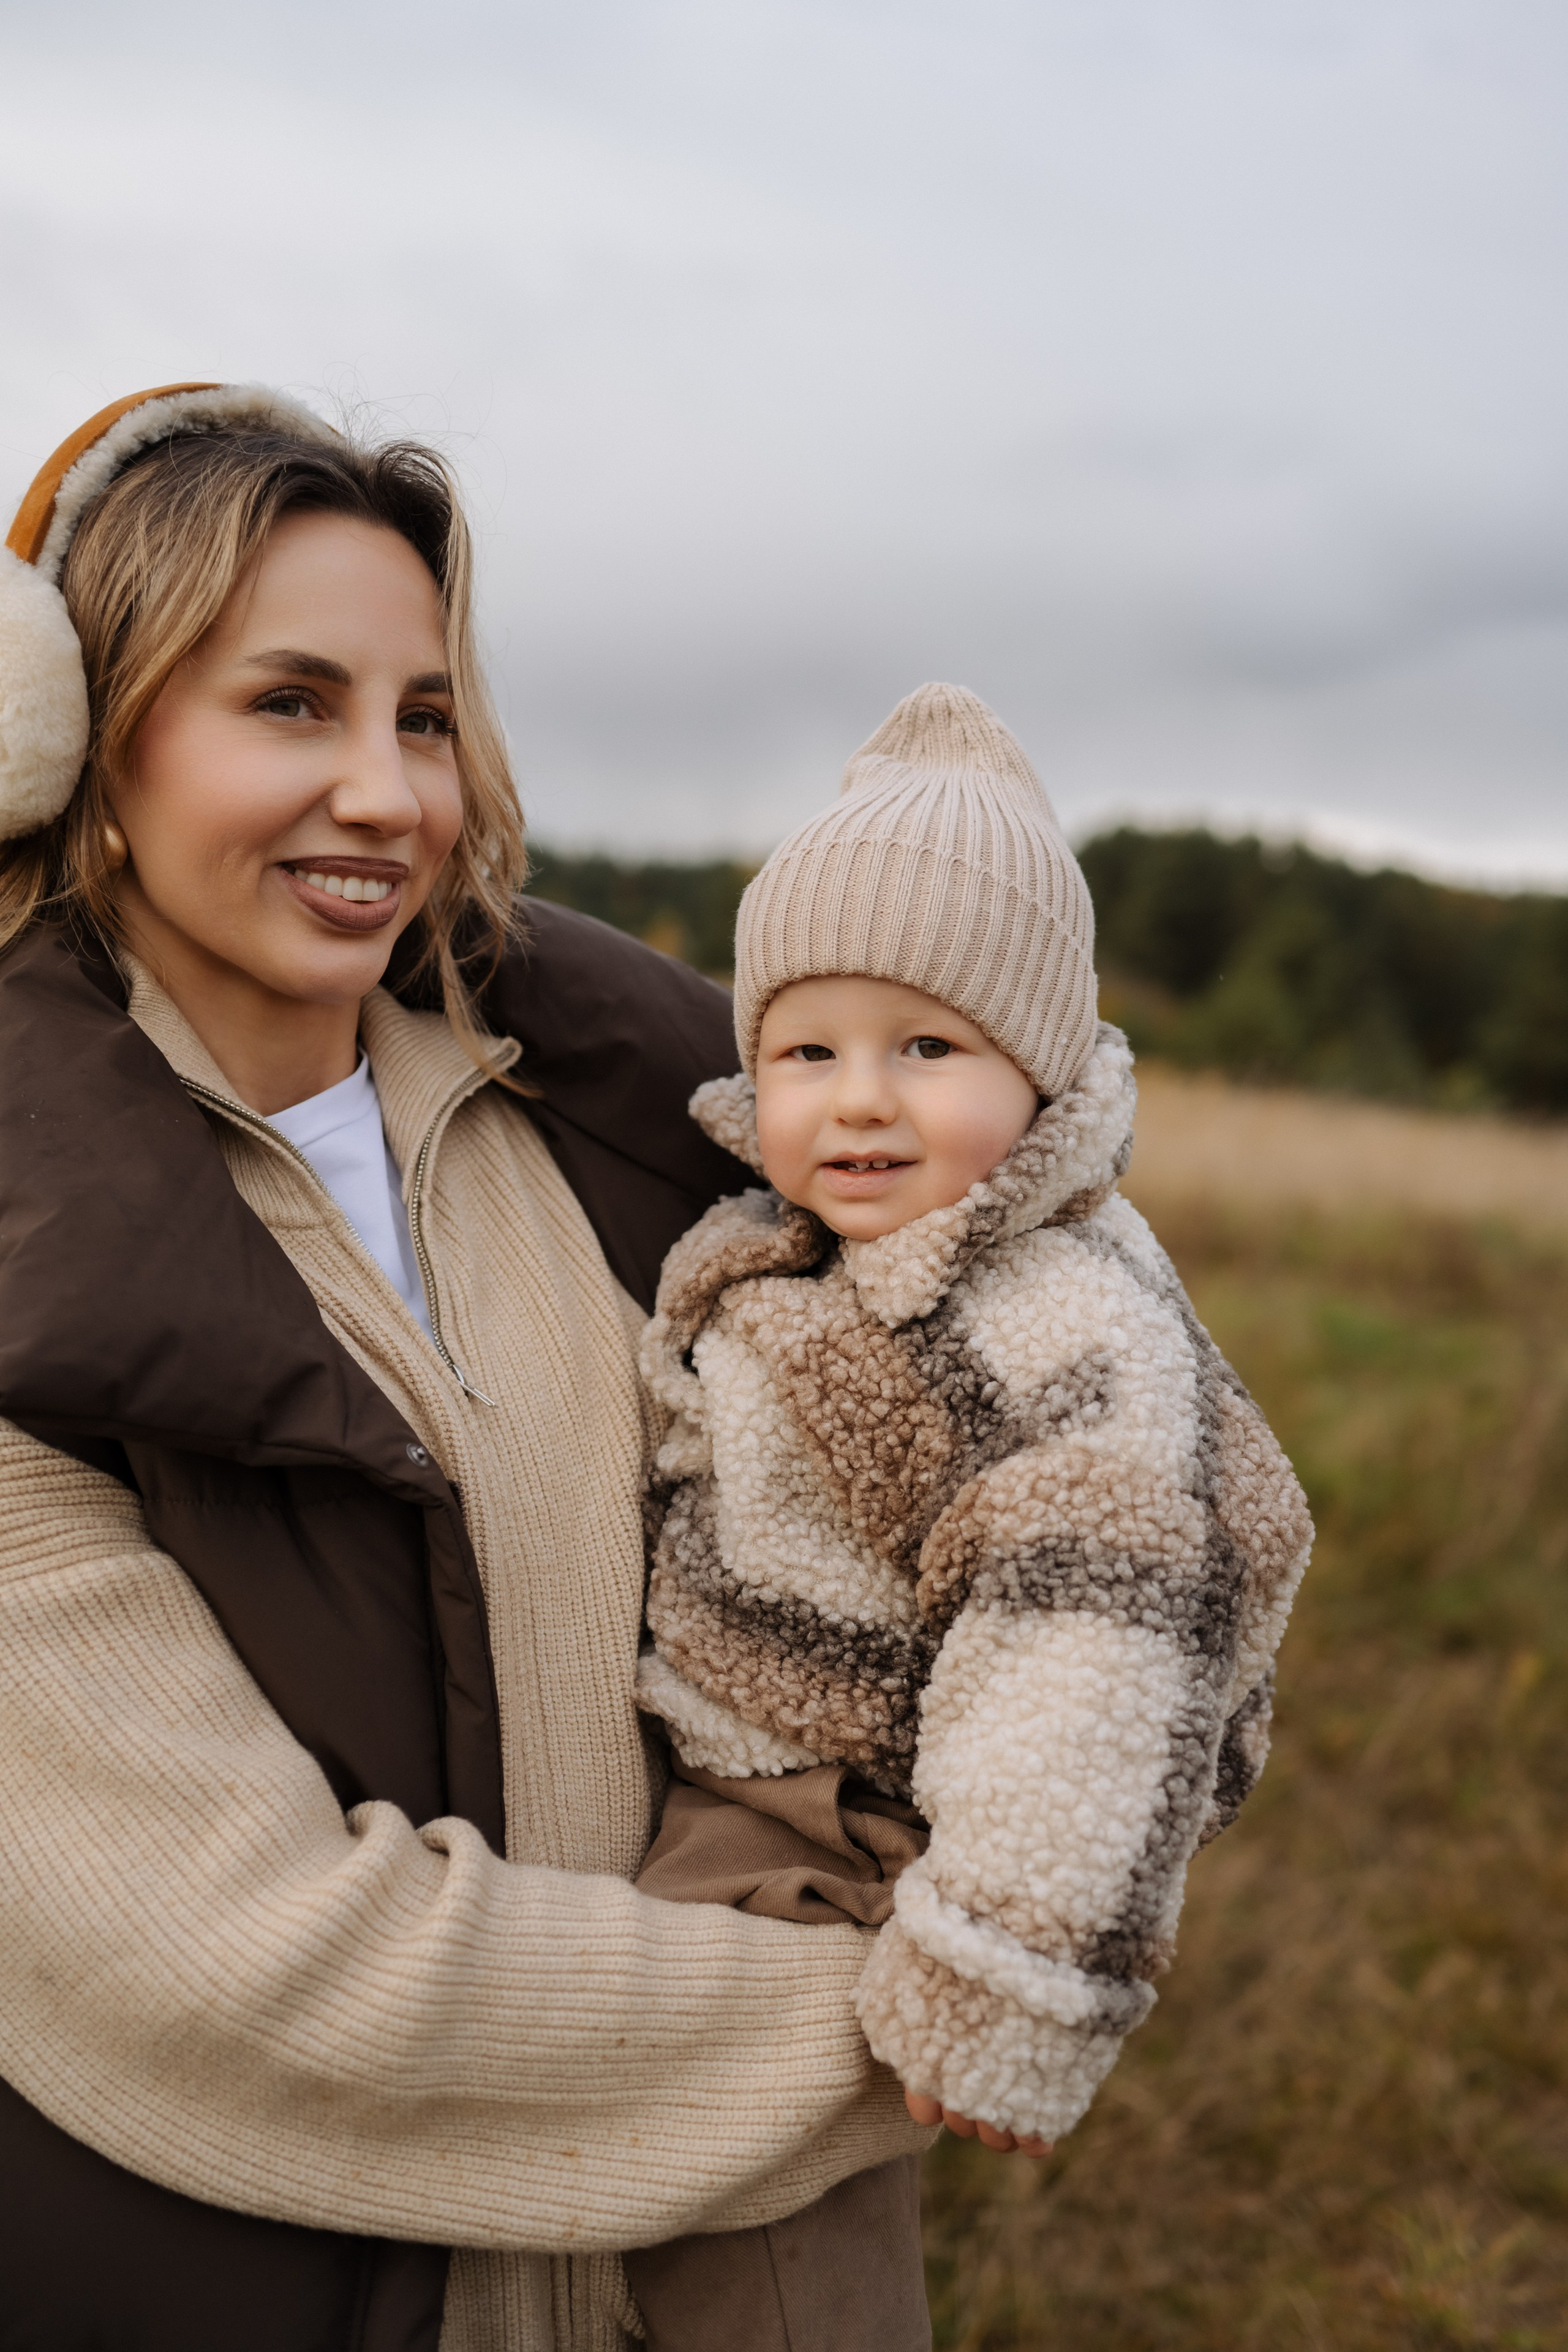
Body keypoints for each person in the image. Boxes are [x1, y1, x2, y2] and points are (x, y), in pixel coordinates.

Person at [0, 383, 936, 2352]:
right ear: (95, 741)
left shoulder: (599, 1140)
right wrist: (938, 2015)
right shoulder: (32, 1260)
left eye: (422, 715)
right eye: (290, 704)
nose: (387, 796)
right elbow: (247, 1978)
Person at [633, 683, 1313, 2153]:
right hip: (743, 1775)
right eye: (807, 1053)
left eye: (926, 1050)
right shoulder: (792, 1247)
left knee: (733, 2208)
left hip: (851, 1825)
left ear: (1039, 1071)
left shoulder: (1054, 1319)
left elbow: (1097, 1650)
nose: (859, 1101)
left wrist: (1004, 1965)